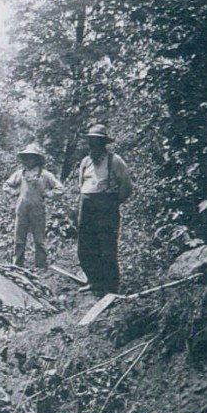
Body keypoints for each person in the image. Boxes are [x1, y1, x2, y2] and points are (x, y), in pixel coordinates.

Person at [76, 124, 134, 294]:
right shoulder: (85, 162)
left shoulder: (115, 160)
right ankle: (94, 281)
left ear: (104, 143)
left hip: (106, 206)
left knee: (107, 245)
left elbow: (127, 186)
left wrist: (112, 203)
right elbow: (81, 184)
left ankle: (111, 286)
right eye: (91, 141)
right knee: (86, 245)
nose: (94, 145)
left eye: (97, 142)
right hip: (87, 205)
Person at [3, 142, 64, 269]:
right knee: (19, 237)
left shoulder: (45, 174)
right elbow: (6, 186)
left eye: (31, 157)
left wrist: (48, 194)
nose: (29, 160)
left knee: (39, 238)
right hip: (22, 208)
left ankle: (41, 266)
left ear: (37, 159)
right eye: (27, 157)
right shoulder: (20, 173)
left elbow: (60, 188)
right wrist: (15, 192)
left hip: (38, 209)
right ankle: (18, 265)